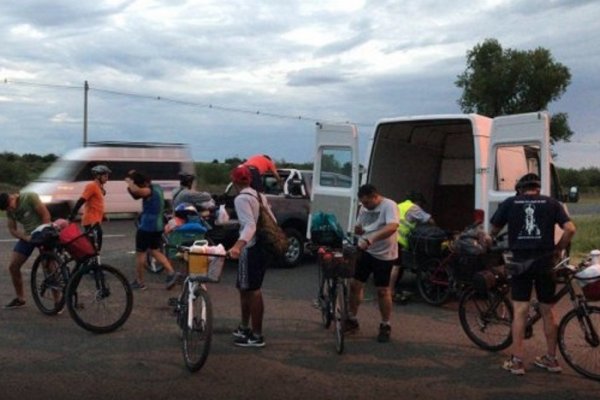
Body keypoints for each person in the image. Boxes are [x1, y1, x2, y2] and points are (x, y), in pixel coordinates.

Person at [490, 173, 576, 375]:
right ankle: (552, 360)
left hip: (521, 263)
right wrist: (558, 249)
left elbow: (492, 231)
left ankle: (517, 361)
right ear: (538, 188)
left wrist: (486, 240)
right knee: (548, 311)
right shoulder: (552, 203)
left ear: (520, 189)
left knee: (520, 310)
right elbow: (571, 229)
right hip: (545, 263)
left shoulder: (510, 202)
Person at [226, 165, 275, 348]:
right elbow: (271, 220)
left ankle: (256, 335)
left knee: (252, 291)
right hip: (262, 247)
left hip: (251, 248)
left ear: (235, 181)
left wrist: (238, 246)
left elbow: (250, 226)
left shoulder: (241, 199)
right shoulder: (259, 195)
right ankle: (245, 328)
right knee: (246, 289)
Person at [346, 184, 399, 342]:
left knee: (382, 290)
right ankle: (352, 320)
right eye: (363, 203)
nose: (365, 206)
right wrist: (357, 232)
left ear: (376, 197)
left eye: (368, 203)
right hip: (366, 252)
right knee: (355, 285)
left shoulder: (389, 205)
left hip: (384, 255)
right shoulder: (364, 208)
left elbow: (392, 227)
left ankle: (385, 324)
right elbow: (360, 226)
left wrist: (372, 238)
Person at [125, 170, 179, 290]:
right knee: (154, 251)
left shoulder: (148, 190)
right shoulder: (157, 188)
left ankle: (140, 282)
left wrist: (129, 182)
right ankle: (171, 272)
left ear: (143, 183)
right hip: (157, 227)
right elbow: (135, 195)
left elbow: (136, 191)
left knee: (140, 255)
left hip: (147, 227)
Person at [0, 191, 51, 309]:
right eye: (7, 208)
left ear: (12, 196)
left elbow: (45, 215)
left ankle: (58, 301)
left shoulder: (29, 197)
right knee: (13, 266)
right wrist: (25, 238)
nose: (10, 208)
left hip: (43, 231)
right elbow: (12, 229)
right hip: (29, 236)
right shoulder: (10, 211)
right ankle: (20, 298)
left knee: (48, 266)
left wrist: (45, 234)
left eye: (10, 205)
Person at [390, 191, 435, 303]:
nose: (421, 206)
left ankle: (386, 288)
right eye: (421, 204)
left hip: (388, 237)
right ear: (418, 201)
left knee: (390, 264)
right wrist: (435, 229)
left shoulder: (399, 205)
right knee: (396, 266)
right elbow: (429, 219)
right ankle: (390, 291)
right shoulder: (414, 208)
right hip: (398, 239)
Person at [68, 164, 111, 251]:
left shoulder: (99, 188)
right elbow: (81, 200)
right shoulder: (91, 186)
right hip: (90, 219)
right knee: (94, 244)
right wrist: (73, 214)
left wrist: (103, 215)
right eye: (105, 176)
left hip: (96, 219)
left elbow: (97, 203)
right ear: (98, 176)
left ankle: (92, 260)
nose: (107, 178)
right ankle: (91, 260)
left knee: (94, 245)